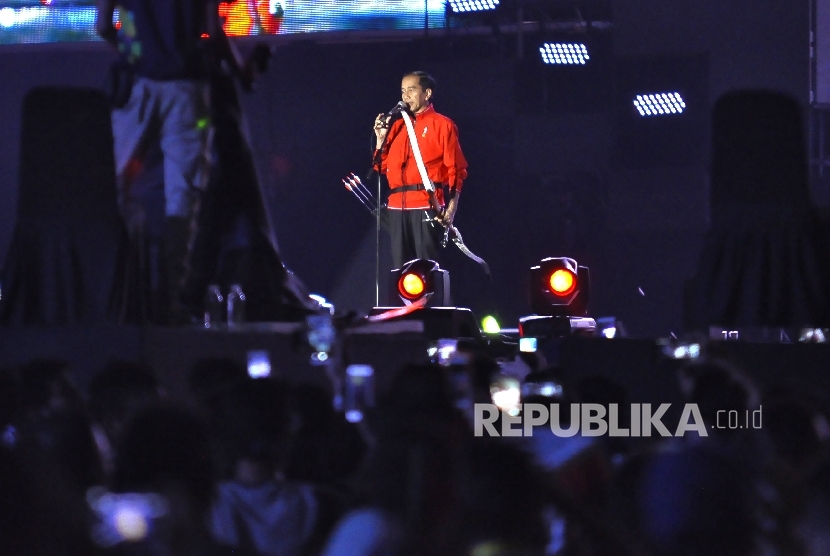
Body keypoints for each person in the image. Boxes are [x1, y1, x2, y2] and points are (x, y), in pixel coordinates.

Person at [96, 0, 250, 324]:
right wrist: (242, 70)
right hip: (188, 88)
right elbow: (213, 29)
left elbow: (103, 26)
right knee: (184, 195)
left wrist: (131, 55)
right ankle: (171, 302)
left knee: (113, 191)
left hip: (136, 86)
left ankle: (116, 294)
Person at [373, 71, 468, 270]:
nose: (405, 96)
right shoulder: (397, 126)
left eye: (411, 90)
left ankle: (432, 301)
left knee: (426, 268)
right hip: (396, 207)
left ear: (427, 93)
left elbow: (456, 169)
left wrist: (451, 209)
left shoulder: (443, 124)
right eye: (402, 91)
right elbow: (380, 167)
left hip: (426, 204)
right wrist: (381, 138)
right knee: (401, 269)